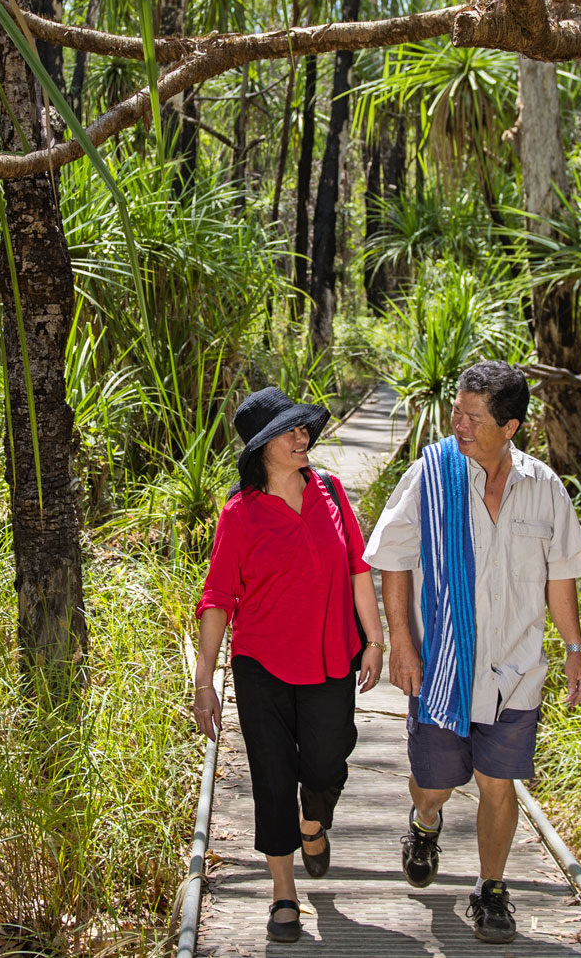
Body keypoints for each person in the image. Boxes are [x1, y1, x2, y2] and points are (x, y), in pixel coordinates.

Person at [363, 361, 581, 945]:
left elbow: (560, 578)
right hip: (442, 666)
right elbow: (392, 558)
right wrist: (402, 644)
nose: (458, 424)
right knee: (434, 783)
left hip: (515, 672)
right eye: (456, 412)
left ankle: (491, 889)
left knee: (499, 783)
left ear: (510, 425)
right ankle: (425, 821)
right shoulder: (431, 476)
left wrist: (574, 648)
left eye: (473, 416)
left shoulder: (544, 489)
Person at [192, 387, 386, 944]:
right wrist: (205, 681)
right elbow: (218, 598)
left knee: (327, 762)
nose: (304, 438)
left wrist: (375, 640)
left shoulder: (330, 489)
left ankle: (313, 823)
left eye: (304, 429)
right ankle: (283, 891)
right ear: (262, 448)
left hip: (330, 656)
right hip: (262, 666)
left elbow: (356, 567)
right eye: (290, 432)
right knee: (273, 777)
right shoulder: (242, 514)